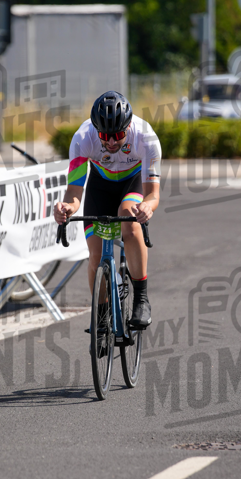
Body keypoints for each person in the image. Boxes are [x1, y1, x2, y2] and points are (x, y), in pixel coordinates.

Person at [54, 90, 161, 328]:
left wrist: (147, 207)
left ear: (129, 126)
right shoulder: (83, 138)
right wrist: (66, 209)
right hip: (99, 186)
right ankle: (101, 317)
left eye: (119, 135)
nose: (111, 142)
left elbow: (153, 194)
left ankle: (141, 299)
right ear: (95, 129)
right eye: (105, 135)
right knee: (95, 256)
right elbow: (74, 193)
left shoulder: (146, 138)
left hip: (131, 182)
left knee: (129, 223)